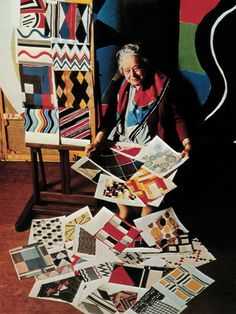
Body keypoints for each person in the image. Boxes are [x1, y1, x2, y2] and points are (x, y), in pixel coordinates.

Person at [86, 43, 191, 219]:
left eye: (136, 68)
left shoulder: (163, 86)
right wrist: (96, 141)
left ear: (145, 65)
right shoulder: (122, 88)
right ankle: (125, 211)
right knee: (97, 164)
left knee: (147, 214)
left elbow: (178, 118)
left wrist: (187, 144)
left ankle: (145, 218)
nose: (132, 75)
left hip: (152, 150)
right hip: (124, 146)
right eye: (127, 70)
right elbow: (110, 119)